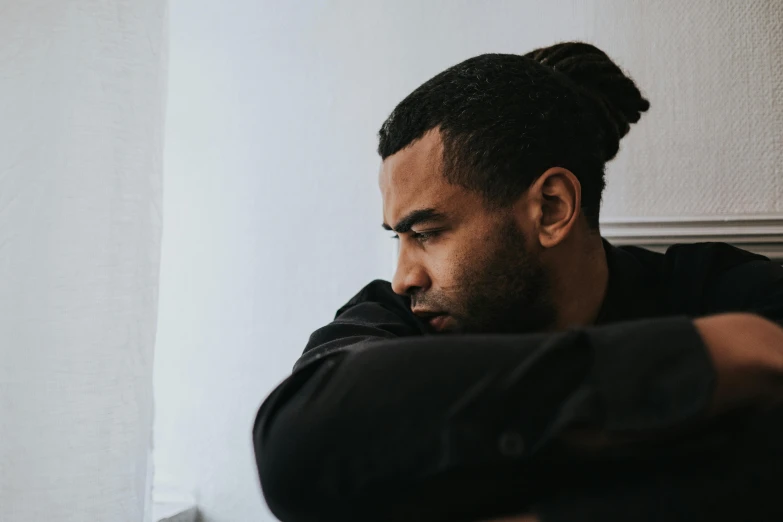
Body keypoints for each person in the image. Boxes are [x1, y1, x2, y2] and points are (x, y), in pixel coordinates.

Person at [253, 42, 783, 522]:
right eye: (399, 237)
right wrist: (706, 358)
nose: (403, 276)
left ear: (551, 208)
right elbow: (297, 446)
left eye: (428, 232)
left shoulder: (721, 290)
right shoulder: (394, 317)